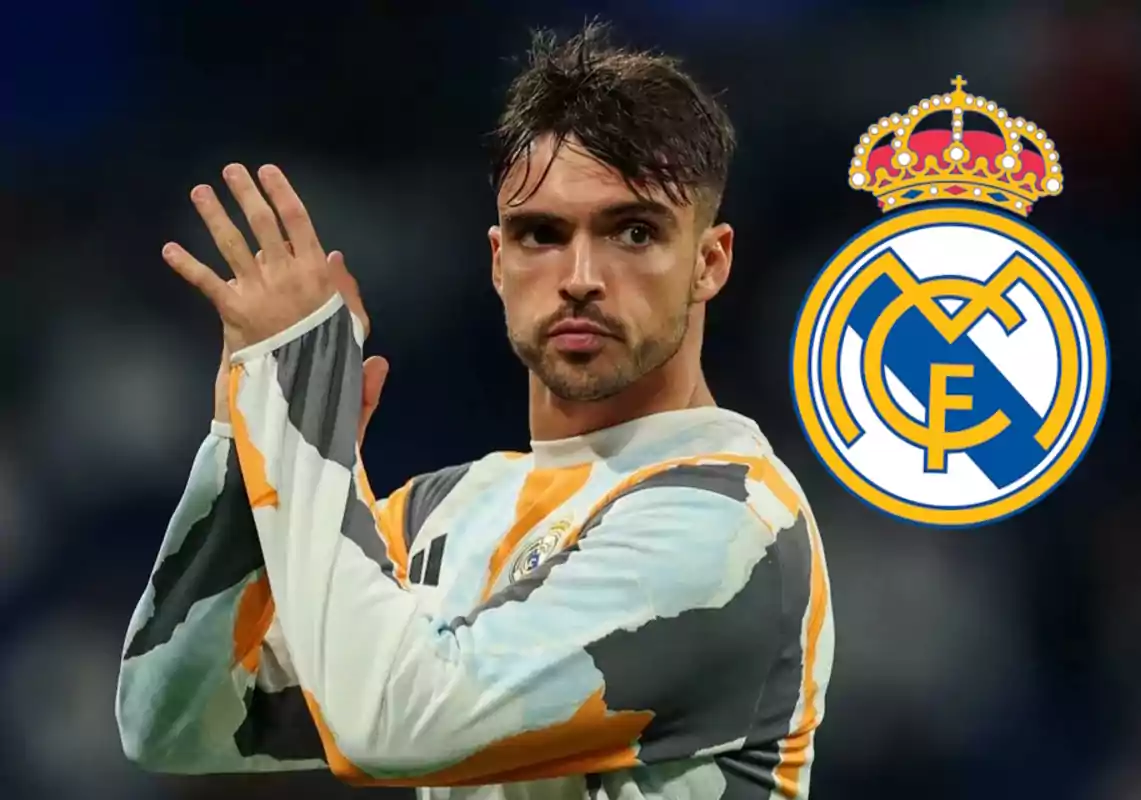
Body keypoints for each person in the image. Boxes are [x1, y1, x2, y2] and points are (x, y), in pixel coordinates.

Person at [116, 21, 833, 800]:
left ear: (709, 261)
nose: (581, 276)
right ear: (498, 262)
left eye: (633, 231)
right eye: (542, 235)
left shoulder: (729, 522)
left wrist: (304, 417)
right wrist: (254, 430)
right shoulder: (444, 511)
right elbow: (174, 719)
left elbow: (390, 726)